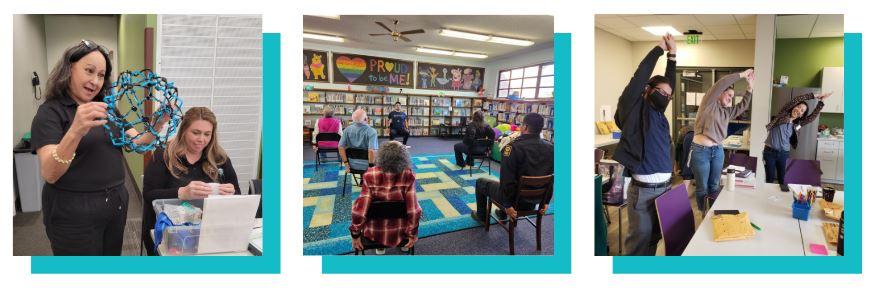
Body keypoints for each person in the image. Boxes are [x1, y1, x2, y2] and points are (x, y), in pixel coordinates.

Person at [30, 40, 167, 255]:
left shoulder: (107, 109)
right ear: (69, 68)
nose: (95, 81)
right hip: (72, 212)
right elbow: (49, 172)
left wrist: (158, 124)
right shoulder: (50, 113)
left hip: (116, 205)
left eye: (101, 75)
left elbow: (138, 142)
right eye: (89, 71)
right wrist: (76, 130)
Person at [142, 107, 240, 256]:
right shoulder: (164, 155)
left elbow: (238, 194)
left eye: (207, 134)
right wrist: (181, 193)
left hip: (208, 231)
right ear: (184, 131)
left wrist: (230, 193)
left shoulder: (219, 158)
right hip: (169, 232)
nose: (201, 139)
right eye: (196, 133)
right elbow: (149, 195)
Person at [611, 34, 676, 256]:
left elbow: (670, 84)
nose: (665, 96)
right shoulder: (633, 106)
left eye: (668, 95)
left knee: (655, 239)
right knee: (638, 245)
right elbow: (641, 74)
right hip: (644, 193)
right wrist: (660, 48)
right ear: (647, 89)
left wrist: (673, 56)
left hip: (665, 189)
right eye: (661, 92)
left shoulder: (659, 113)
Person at [690, 69, 755, 213]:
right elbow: (722, 83)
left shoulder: (727, 112)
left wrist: (750, 88)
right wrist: (742, 75)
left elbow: (743, 106)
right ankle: (702, 213)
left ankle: (712, 213)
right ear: (719, 93)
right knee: (702, 187)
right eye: (729, 95)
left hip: (718, 151)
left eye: (732, 97)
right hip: (701, 151)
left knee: (714, 185)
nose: (731, 99)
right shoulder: (708, 103)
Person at [470, 113, 553, 225]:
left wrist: (507, 205)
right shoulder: (551, 148)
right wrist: (546, 201)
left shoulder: (512, 147)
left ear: (525, 127)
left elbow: (506, 179)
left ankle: (482, 217)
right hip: (536, 201)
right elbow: (551, 178)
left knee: (481, 182)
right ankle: (502, 213)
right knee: (510, 183)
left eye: (522, 124)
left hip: (514, 201)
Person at [349, 141, 422, 254]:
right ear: (404, 157)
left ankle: (380, 247)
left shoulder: (369, 175)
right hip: (401, 232)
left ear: (381, 155)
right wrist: (411, 234)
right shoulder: (408, 175)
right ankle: (405, 245)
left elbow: (359, 212)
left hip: (374, 233)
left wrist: (355, 235)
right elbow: (414, 211)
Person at [763, 92, 831, 184]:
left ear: (802, 115)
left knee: (782, 180)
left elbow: (812, 117)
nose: (799, 110)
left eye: (802, 110)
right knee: (769, 180)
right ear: (794, 106)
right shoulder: (782, 115)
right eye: (798, 107)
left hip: (784, 154)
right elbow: (796, 99)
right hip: (769, 152)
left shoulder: (797, 125)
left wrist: (821, 102)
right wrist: (814, 96)